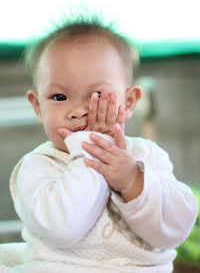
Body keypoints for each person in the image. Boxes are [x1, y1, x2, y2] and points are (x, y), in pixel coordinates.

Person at [1, 14, 198, 273]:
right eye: (59, 96)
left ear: (128, 103)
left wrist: (132, 180)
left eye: (97, 95)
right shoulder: (37, 166)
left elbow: (175, 230)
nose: (78, 110)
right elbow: (62, 227)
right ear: (38, 107)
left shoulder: (147, 156)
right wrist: (87, 151)